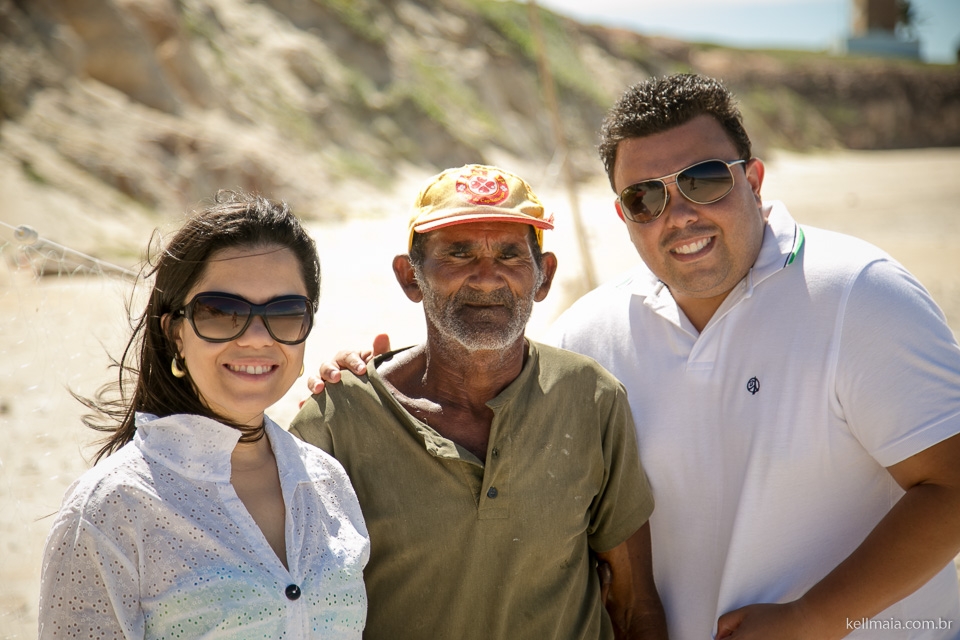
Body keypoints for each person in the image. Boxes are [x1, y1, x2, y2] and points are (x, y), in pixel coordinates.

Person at [314, 76, 960, 639]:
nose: (678, 214)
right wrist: (363, 376)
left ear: (754, 180)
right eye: (646, 197)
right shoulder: (593, 333)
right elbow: (489, 376)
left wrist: (815, 621)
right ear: (624, 214)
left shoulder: (857, 292)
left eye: (704, 181)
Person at [290, 164, 667, 639]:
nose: (487, 278)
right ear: (410, 277)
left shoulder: (591, 399)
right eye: (458, 254)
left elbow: (633, 604)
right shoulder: (338, 420)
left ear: (543, 277)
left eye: (510, 255)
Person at [39, 192, 369, 639]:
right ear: (175, 332)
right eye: (220, 312)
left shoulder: (329, 483)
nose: (256, 338)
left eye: (286, 313)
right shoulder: (111, 507)